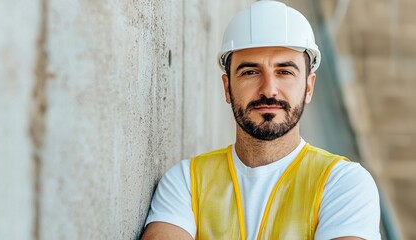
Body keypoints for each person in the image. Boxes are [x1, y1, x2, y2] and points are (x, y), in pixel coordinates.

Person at [141, 1, 380, 239]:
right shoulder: (185, 183)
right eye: (250, 72)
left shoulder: (343, 184)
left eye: (284, 72)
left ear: (308, 87)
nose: (269, 90)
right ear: (227, 88)